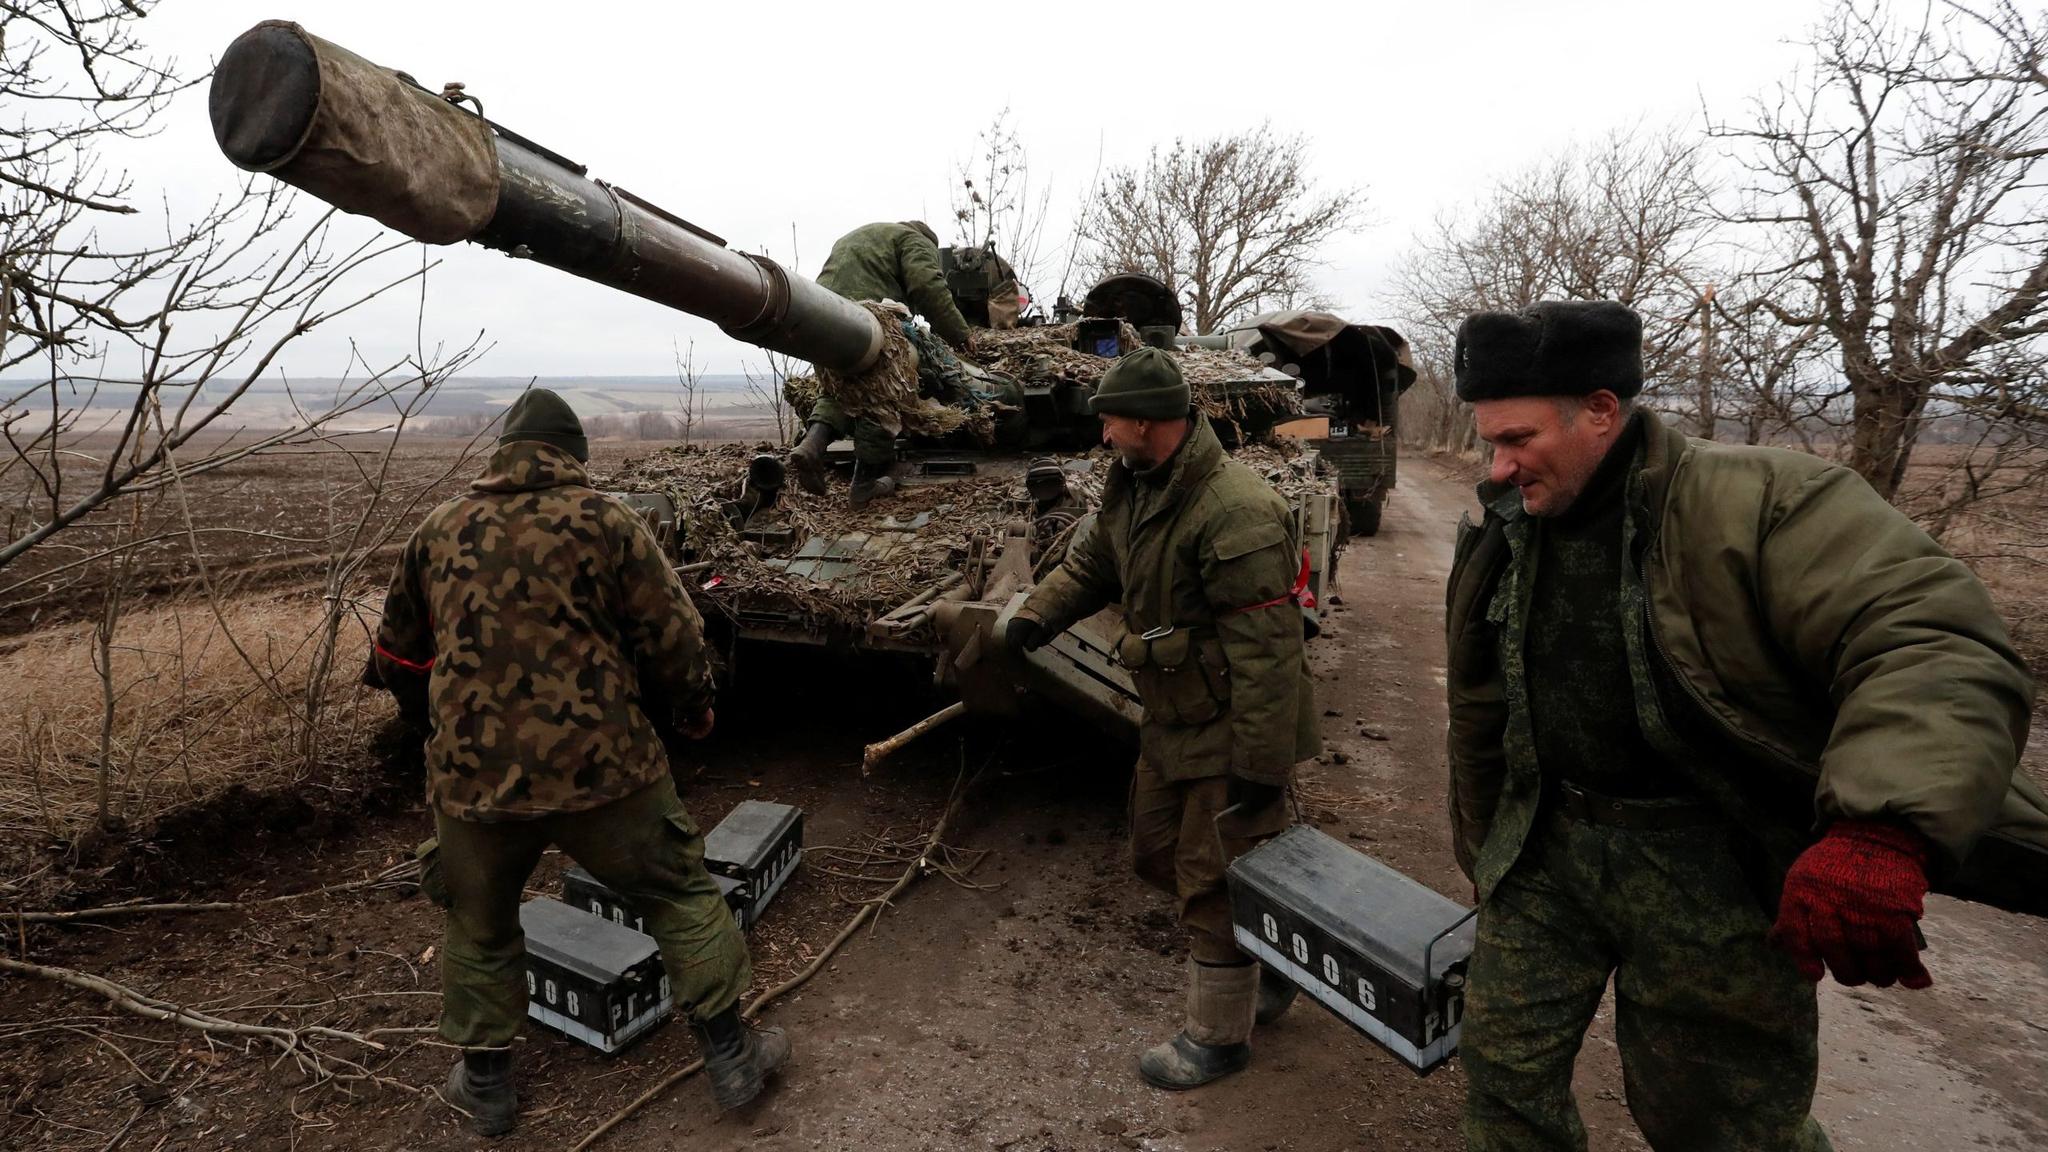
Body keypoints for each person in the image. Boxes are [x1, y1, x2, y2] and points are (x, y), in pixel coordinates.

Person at [1443, 301, 2040, 1151]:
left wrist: (1880, 829)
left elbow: (1928, 638)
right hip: (1542, 848)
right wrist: (1484, 838)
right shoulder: (1512, 521)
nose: (1498, 466)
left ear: (1603, 409)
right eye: (1488, 441)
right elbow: (1481, 700)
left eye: (1519, 439)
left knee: (1722, 1123)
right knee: (1502, 1081)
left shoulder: (1765, 500)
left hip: (1709, 868)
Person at [372, 389, 789, 1135]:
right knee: (679, 895)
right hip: (606, 771)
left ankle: (486, 1087)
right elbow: (673, 633)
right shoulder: (606, 521)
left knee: (479, 923)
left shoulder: (439, 529)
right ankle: (733, 1058)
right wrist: (693, 710)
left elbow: (398, 652)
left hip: (475, 782)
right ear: (574, 456)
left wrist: (431, 731)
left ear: (502, 450)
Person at [1005, 347, 1319, 1090]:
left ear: (1148, 422)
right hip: (1172, 714)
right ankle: (1267, 958)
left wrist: (1262, 766)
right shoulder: (1136, 487)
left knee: (1210, 876)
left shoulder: (1234, 509)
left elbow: (1271, 652)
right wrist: (1032, 619)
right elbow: (1090, 566)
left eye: (1112, 420)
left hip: (1231, 723)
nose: (1104, 434)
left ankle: (1219, 1038)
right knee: (1155, 854)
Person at [792, 221, 975, 507]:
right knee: (885, 391)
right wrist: (960, 335)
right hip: (866, 317)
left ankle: (812, 444)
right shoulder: (915, 240)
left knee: (841, 386)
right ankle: (864, 484)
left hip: (820, 313)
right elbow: (927, 285)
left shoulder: (863, 235)